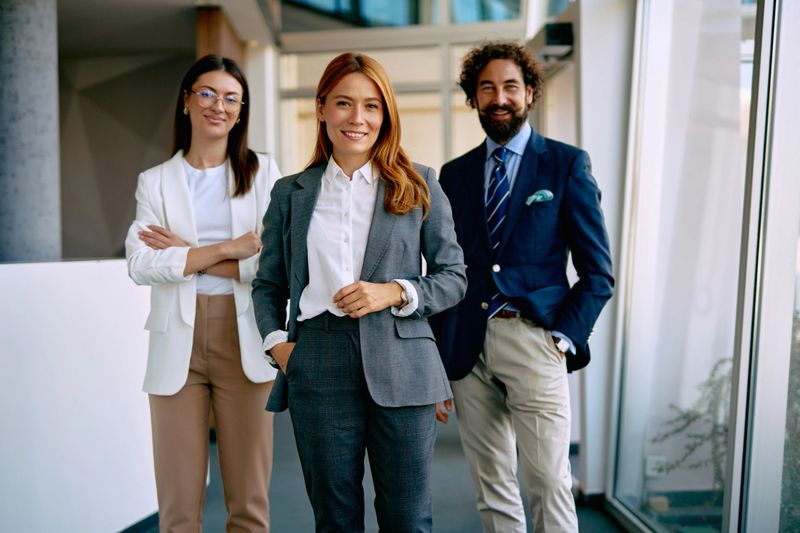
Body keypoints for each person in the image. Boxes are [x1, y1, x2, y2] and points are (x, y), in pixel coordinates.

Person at [251, 52, 466, 532]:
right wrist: (278, 347)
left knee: (407, 520)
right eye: (344, 103)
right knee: (335, 519)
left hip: (402, 360)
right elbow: (268, 283)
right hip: (317, 360)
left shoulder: (418, 184)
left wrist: (393, 291)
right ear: (322, 108)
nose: (357, 118)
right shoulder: (291, 193)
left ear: (385, 114)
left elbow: (454, 276)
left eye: (371, 105)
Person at [430, 41, 615, 532]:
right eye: (486, 88)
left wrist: (562, 339)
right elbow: (447, 270)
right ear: (473, 98)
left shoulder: (566, 165)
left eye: (510, 86)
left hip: (535, 339)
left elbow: (598, 273)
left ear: (529, 93)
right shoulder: (454, 175)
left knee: (549, 483)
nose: (499, 97)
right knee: (492, 488)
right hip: (468, 348)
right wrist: (439, 359)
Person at [125, 54, 281, 532]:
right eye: (208, 93)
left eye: (232, 98)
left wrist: (192, 254)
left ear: (241, 110)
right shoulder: (155, 182)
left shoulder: (264, 173)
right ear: (187, 101)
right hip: (178, 345)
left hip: (246, 340)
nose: (220, 105)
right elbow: (142, 264)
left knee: (249, 506)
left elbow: (276, 261)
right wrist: (231, 248)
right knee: (177, 511)